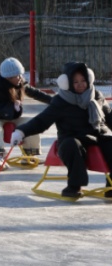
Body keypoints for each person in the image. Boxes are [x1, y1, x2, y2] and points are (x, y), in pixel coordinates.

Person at [11, 62, 112, 199]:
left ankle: (111, 187)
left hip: (96, 136)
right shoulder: (60, 102)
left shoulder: (96, 96)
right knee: (71, 145)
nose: (80, 84)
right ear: (67, 83)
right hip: (71, 139)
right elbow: (41, 121)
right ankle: (74, 185)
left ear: (89, 79)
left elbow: (109, 116)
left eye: (83, 80)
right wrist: (21, 132)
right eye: (75, 82)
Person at [0, 57, 52, 170]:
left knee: (31, 123)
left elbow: (36, 93)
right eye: (16, 76)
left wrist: (54, 101)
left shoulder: (21, 83)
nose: (20, 78)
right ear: (8, 77)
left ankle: (29, 155)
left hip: (12, 117)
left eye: (21, 74)